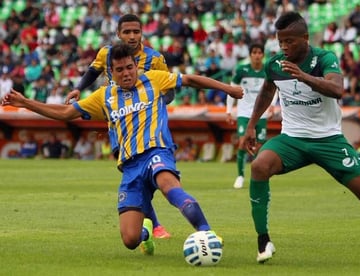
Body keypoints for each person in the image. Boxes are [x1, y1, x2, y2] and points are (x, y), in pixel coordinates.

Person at [2, 43, 243, 255]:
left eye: (129, 67)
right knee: (130, 239)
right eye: (119, 70)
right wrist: (25, 103)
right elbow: (66, 112)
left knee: (168, 183)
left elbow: (190, 79)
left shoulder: (155, 79)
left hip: (156, 151)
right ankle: (146, 232)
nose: (126, 73)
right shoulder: (104, 96)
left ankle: (207, 232)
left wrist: (228, 89)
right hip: (129, 167)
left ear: (135, 65)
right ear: (112, 73)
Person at [242, 12, 360, 265]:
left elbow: (338, 89)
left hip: (329, 140)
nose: (285, 47)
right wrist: (251, 126)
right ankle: (263, 240)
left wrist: (304, 76)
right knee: (259, 166)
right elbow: (267, 90)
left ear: (306, 38)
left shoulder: (324, 59)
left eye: (290, 42)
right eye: (281, 43)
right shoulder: (276, 64)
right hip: (292, 139)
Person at [65, 13, 174, 239]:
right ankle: (152, 224)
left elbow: (169, 92)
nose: (132, 36)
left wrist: (148, 106)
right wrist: (78, 88)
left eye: (136, 31)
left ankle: (151, 225)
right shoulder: (106, 54)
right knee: (130, 171)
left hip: (145, 123)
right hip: (118, 123)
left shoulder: (155, 59)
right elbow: (93, 72)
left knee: (148, 173)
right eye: (127, 32)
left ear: (142, 32)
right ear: (118, 33)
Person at [226, 43, 275, 189]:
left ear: (263, 55)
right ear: (250, 55)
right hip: (244, 113)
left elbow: (275, 89)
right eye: (254, 52)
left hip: (262, 113)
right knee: (242, 142)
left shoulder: (267, 70)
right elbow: (231, 89)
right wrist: (228, 110)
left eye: (260, 52)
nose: (257, 55)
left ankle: (257, 176)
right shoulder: (242, 70)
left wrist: (272, 104)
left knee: (258, 146)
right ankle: (240, 176)